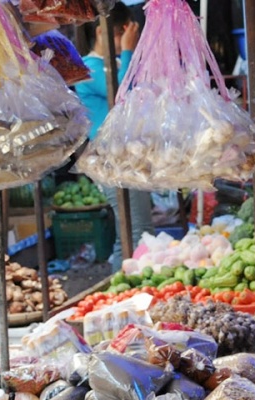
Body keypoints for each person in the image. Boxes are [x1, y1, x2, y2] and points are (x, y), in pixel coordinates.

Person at [75, 4, 155, 270]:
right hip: (112, 162)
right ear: (102, 33)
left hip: (128, 159)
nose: (128, 40)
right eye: (124, 32)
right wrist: (130, 49)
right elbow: (121, 92)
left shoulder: (117, 64)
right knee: (135, 232)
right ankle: (123, 292)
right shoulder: (88, 68)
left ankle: (128, 290)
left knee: (139, 231)